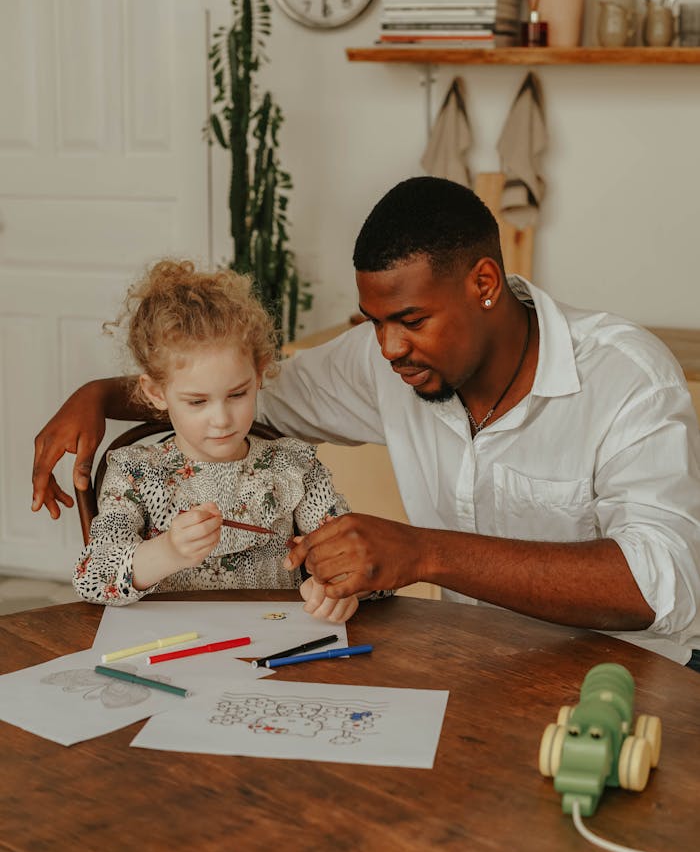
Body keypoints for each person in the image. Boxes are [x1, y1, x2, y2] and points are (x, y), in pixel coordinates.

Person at [33, 179, 700, 666]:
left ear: (485, 284)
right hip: (483, 665)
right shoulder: (388, 360)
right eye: (374, 322)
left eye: (410, 321)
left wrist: (423, 552)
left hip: (634, 681)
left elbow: (662, 582)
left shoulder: (625, 376)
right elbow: (235, 393)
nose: (386, 349)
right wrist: (100, 393)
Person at [70, 259, 358, 623]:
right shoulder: (135, 473)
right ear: (156, 392)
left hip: (278, 647)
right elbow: (93, 578)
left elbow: (359, 558)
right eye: (197, 402)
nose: (222, 420)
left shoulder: (294, 467)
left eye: (237, 395)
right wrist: (168, 551)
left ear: (259, 373)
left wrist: (338, 586)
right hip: (170, 651)